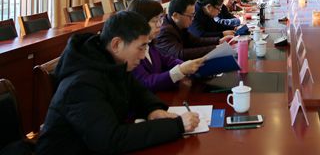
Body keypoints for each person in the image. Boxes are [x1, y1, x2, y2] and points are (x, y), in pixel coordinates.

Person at [36, 11, 200, 154]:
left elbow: (139, 93)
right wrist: (177, 126)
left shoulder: (113, 62)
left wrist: (153, 110)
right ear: (116, 44)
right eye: (141, 48)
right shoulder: (81, 83)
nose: (143, 56)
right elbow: (110, 139)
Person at [128, 0, 205, 92]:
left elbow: (167, 60)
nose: (159, 25)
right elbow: (146, 82)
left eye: (160, 19)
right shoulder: (131, 52)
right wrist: (180, 70)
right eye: (154, 21)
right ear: (139, 23)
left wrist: (187, 65)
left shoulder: (150, 44)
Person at [155, 0, 228, 61]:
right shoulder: (164, 31)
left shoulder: (179, 25)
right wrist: (215, 48)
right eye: (190, 16)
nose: (192, 19)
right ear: (176, 15)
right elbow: (180, 54)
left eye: (193, 15)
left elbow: (195, 41)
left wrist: (218, 41)